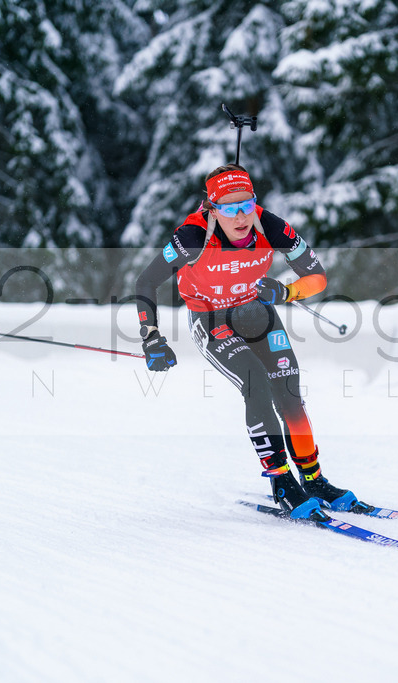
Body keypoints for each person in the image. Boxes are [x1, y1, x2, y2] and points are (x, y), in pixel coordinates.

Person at [135, 164, 370, 521]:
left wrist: (286, 291)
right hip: (211, 320)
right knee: (255, 384)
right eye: (229, 208)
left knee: (289, 393)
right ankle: (281, 482)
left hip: (257, 313)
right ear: (212, 209)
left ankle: (314, 479)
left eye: (247, 204)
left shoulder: (270, 225)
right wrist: (152, 338)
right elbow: (146, 281)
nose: (241, 215)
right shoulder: (193, 236)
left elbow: (317, 277)